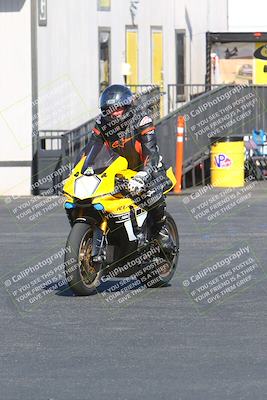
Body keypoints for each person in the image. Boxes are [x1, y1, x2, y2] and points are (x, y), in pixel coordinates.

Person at [71, 84, 175, 254]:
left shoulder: (142, 120)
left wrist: (142, 175)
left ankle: (161, 231)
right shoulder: (102, 123)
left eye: (118, 108)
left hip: (148, 167)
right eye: (110, 110)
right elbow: (90, 149)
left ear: (127, 106)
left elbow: (151, 152)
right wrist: (77, 172)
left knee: (150, 194)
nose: (115, 113)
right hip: (120, 171)